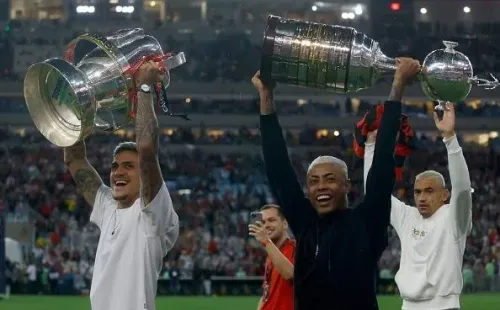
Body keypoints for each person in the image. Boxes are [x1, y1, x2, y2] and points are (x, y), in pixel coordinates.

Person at [251, 57, 421, 310]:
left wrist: (397, 87)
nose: (320, 187)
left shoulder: (367, 222)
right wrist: (266, 96)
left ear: (347, 186)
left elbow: (383, 167)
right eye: (314, 182)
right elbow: (279, 169)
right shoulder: (305, 222)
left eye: (330, 180)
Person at [63, 61, 179, 310]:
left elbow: (147, 151)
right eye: (115, 166)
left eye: (128, 166)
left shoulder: (153, 213)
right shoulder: (108, 206)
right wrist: (74, 105)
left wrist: (144, 88)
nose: (118, 172)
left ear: (144, 175)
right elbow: (74, 158)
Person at [363, 103, 472, 309]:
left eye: (430, 191)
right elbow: (375, 195)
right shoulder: (408, 217)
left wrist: (450, 138)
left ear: (445, 195)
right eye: (418, 192)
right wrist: (370, 146)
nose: (422, 197)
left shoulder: (454, 217)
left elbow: (463, 189)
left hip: (444, 306)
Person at [248, 204, 295, 310]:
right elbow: (266, 294)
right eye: (263, 222)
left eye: (271, 220)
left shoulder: (295, 248)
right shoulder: (271, 254)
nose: (266, 225)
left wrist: (266, 241)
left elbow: (289, 274)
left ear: (285, 224)